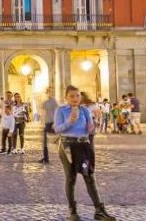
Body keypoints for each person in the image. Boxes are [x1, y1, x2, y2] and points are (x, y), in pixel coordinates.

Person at [54, 85, 115, 221]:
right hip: (67, 147)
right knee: (71, 178)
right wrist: (70, 121)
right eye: (71, 96)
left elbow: (91, 129)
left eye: (77, 95)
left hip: (83, 146)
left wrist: (93, 125)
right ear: (66, 97)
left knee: (89, 176)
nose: (75, 98)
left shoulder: (84, 110)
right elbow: (57, 129)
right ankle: (72, 211)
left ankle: (99, 210)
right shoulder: (61, 110)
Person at [40, 88, 58, 163]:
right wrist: (42, 122)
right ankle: (46, 158)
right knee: (44, 141)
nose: (50, 93)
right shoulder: (45, 102)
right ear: (47, 93)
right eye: (49, 92)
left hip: (53, 122)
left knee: (61, 137)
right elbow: (43, 112)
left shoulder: (54, 102)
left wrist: (56, 122)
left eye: (51, 92)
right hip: (47, 123)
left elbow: (57, 112)